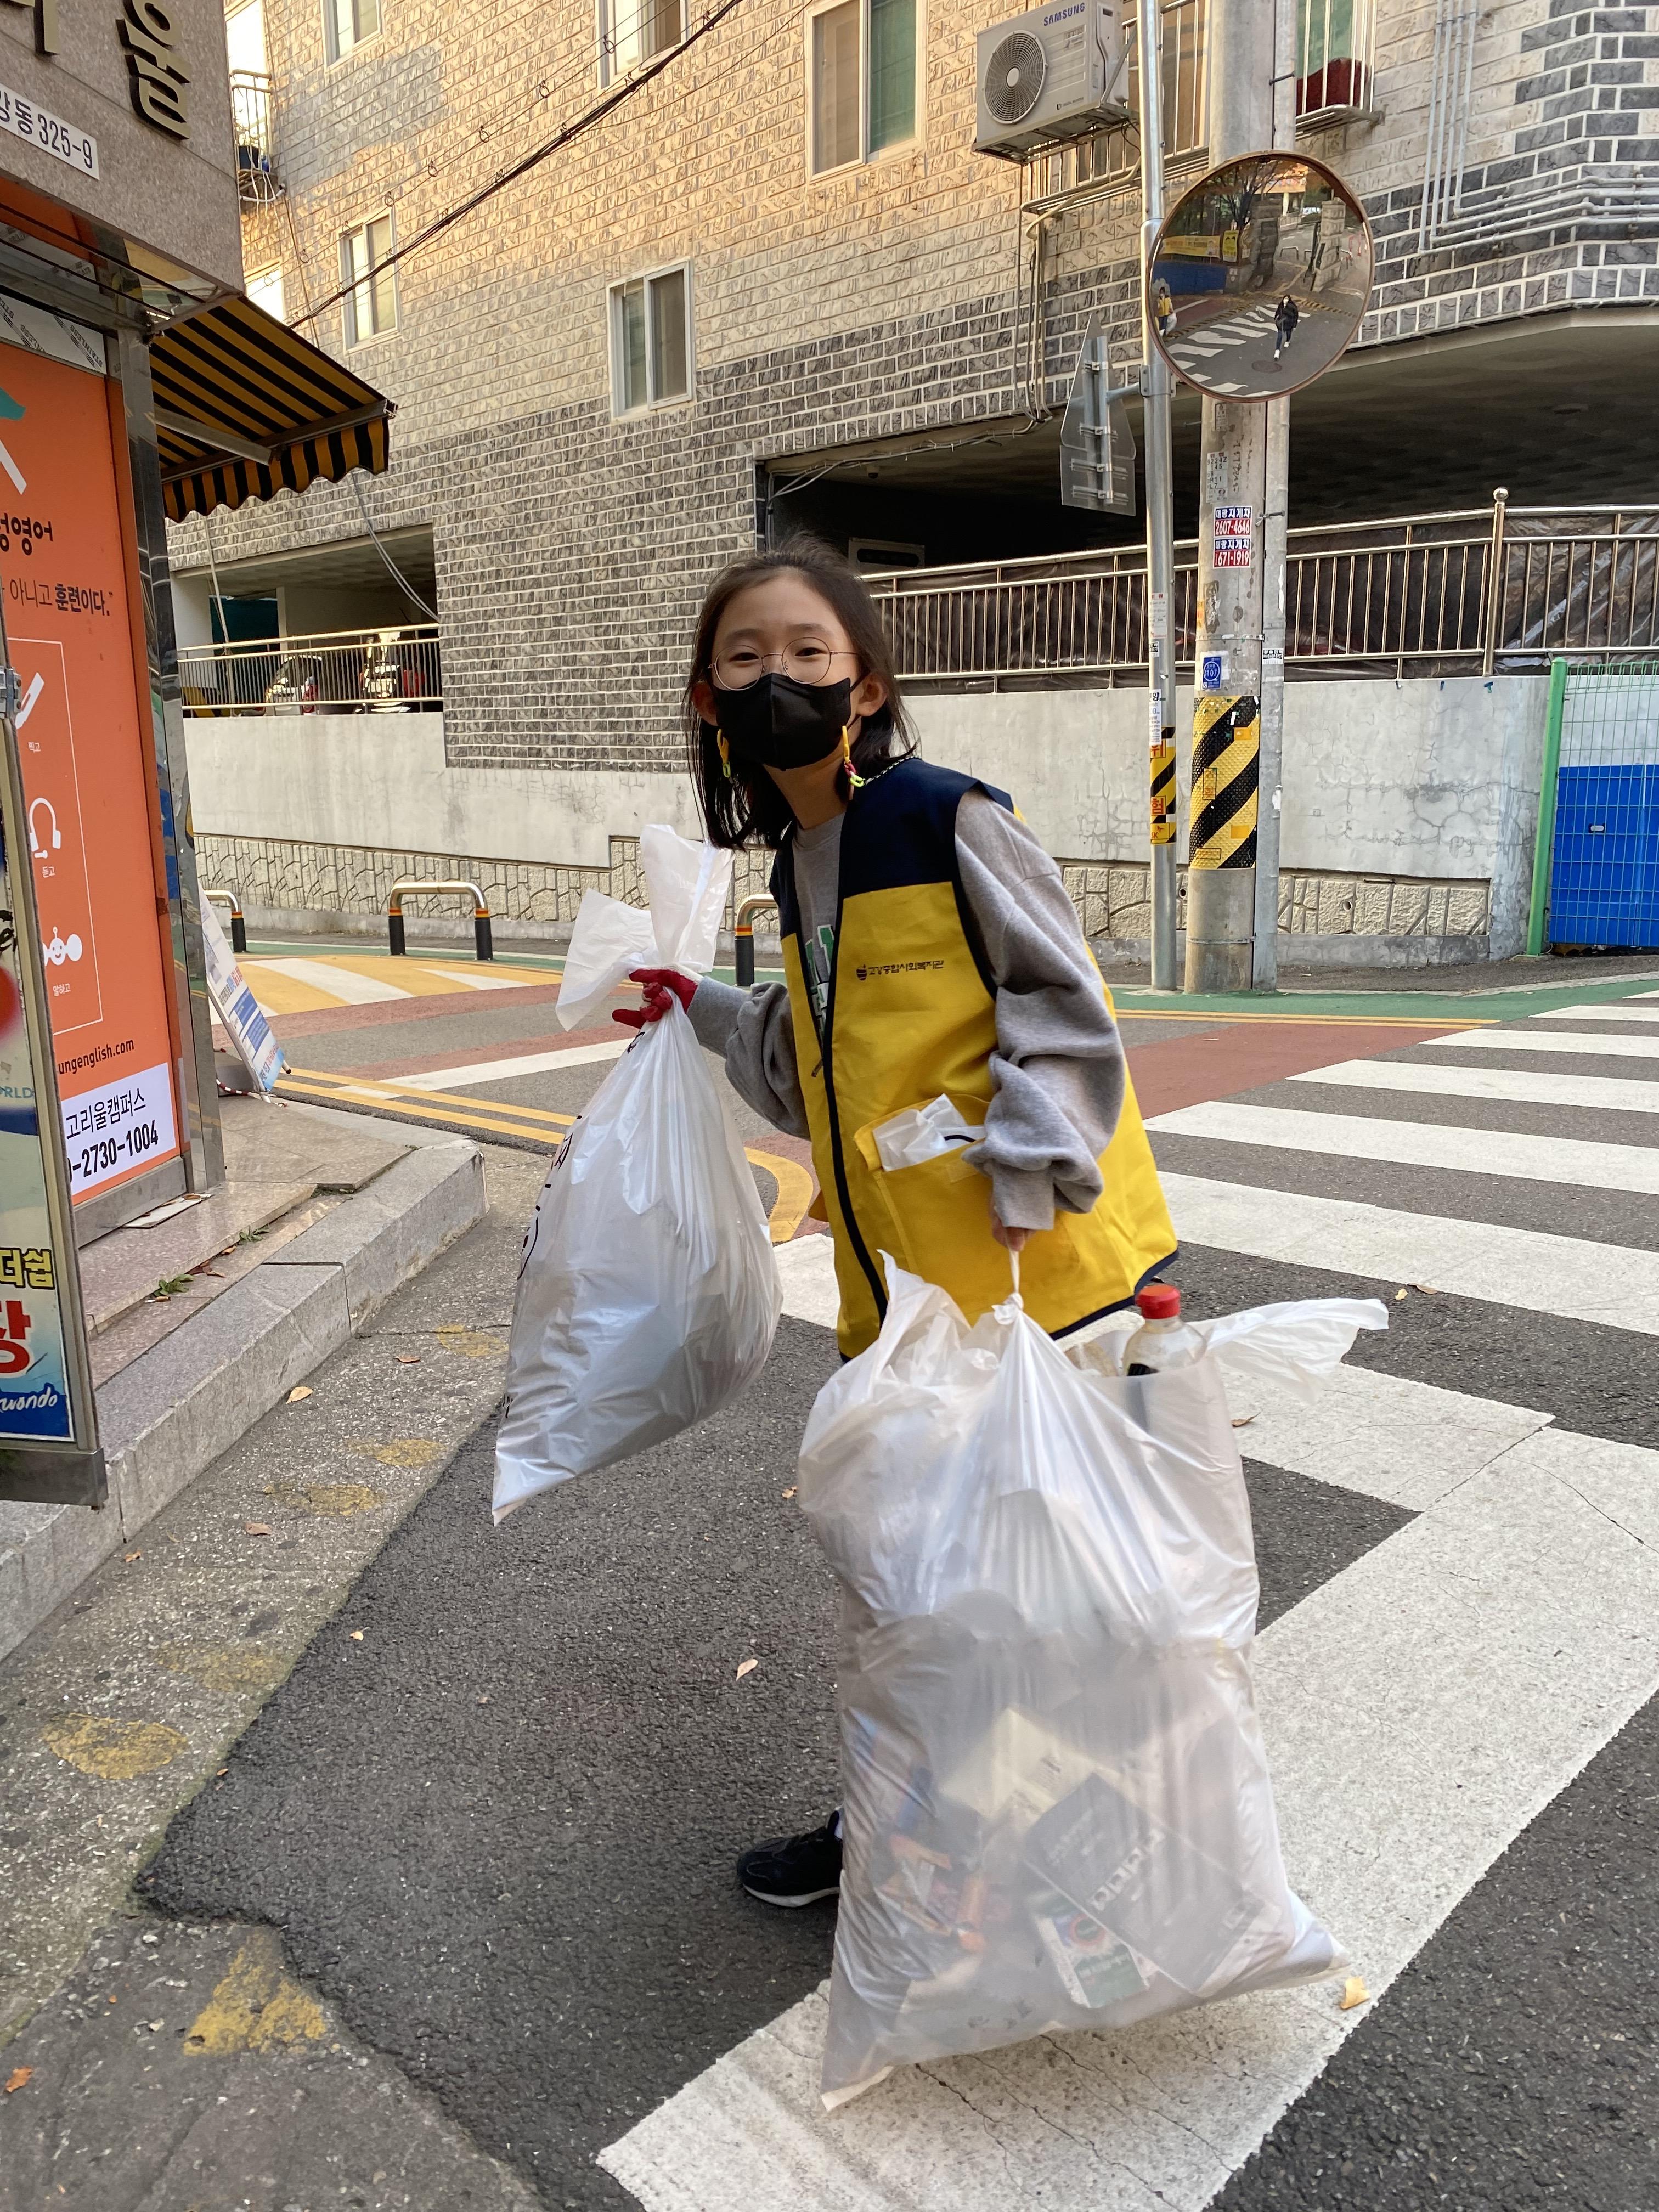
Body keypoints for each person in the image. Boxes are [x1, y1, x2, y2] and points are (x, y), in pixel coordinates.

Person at [616, 539, 1176, 1908]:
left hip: (1042, 1295)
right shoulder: (800, 864)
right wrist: (698, 1010)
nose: (780, 677)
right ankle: (922, 1841)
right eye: (746, 657)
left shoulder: (943, 818)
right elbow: (825, 1076)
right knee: (924, 1605)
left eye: (808, 653)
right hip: (908, 1316)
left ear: (864, 685)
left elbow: (1065, 1007)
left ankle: (1063, 1863)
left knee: (1022, 1606)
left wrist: (1026, 1177)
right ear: (706, 698)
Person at [1273, 293, 1300, 360]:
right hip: (1281, 325)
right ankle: (1277, 351)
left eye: (1287, 299)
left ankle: (1288, 341)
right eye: (1285, 299)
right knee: (1279, 337)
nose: (1285, 300)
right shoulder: (1281, 306)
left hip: (1289, 324)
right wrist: (1276, 317)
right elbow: (1278, 312)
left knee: (1288, 334)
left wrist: (1295, 325)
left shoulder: (1293, 307)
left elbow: (1296, 316)